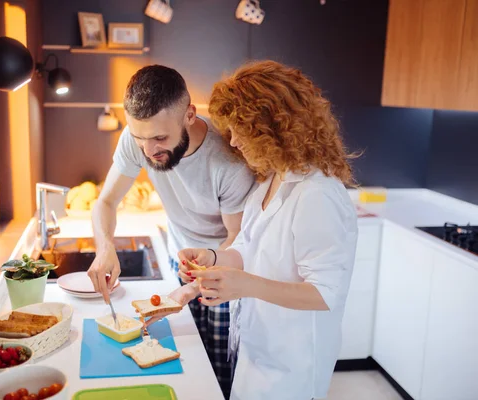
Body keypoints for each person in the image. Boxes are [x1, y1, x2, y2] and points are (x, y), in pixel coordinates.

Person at [152, 60, 359, 400]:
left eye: (239, 130)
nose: (232, 141)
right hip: (258, 350)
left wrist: (245, 285)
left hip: (293, 365)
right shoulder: (270, 180)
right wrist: (214, 257)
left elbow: (325, 293)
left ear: (273, 127)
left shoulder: (317, 194)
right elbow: (249, 248)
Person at [87, 64, 256, 398]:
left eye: (160, 138)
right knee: (181, 366)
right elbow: (104, 203)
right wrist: (105, 247)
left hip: (221, 270)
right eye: (140, 139)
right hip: (177, 262)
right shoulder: (136, 141)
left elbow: (237, 238)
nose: (149, 151)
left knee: (217, 376)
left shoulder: (227, 162)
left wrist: (198, 282)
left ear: (189, 115)